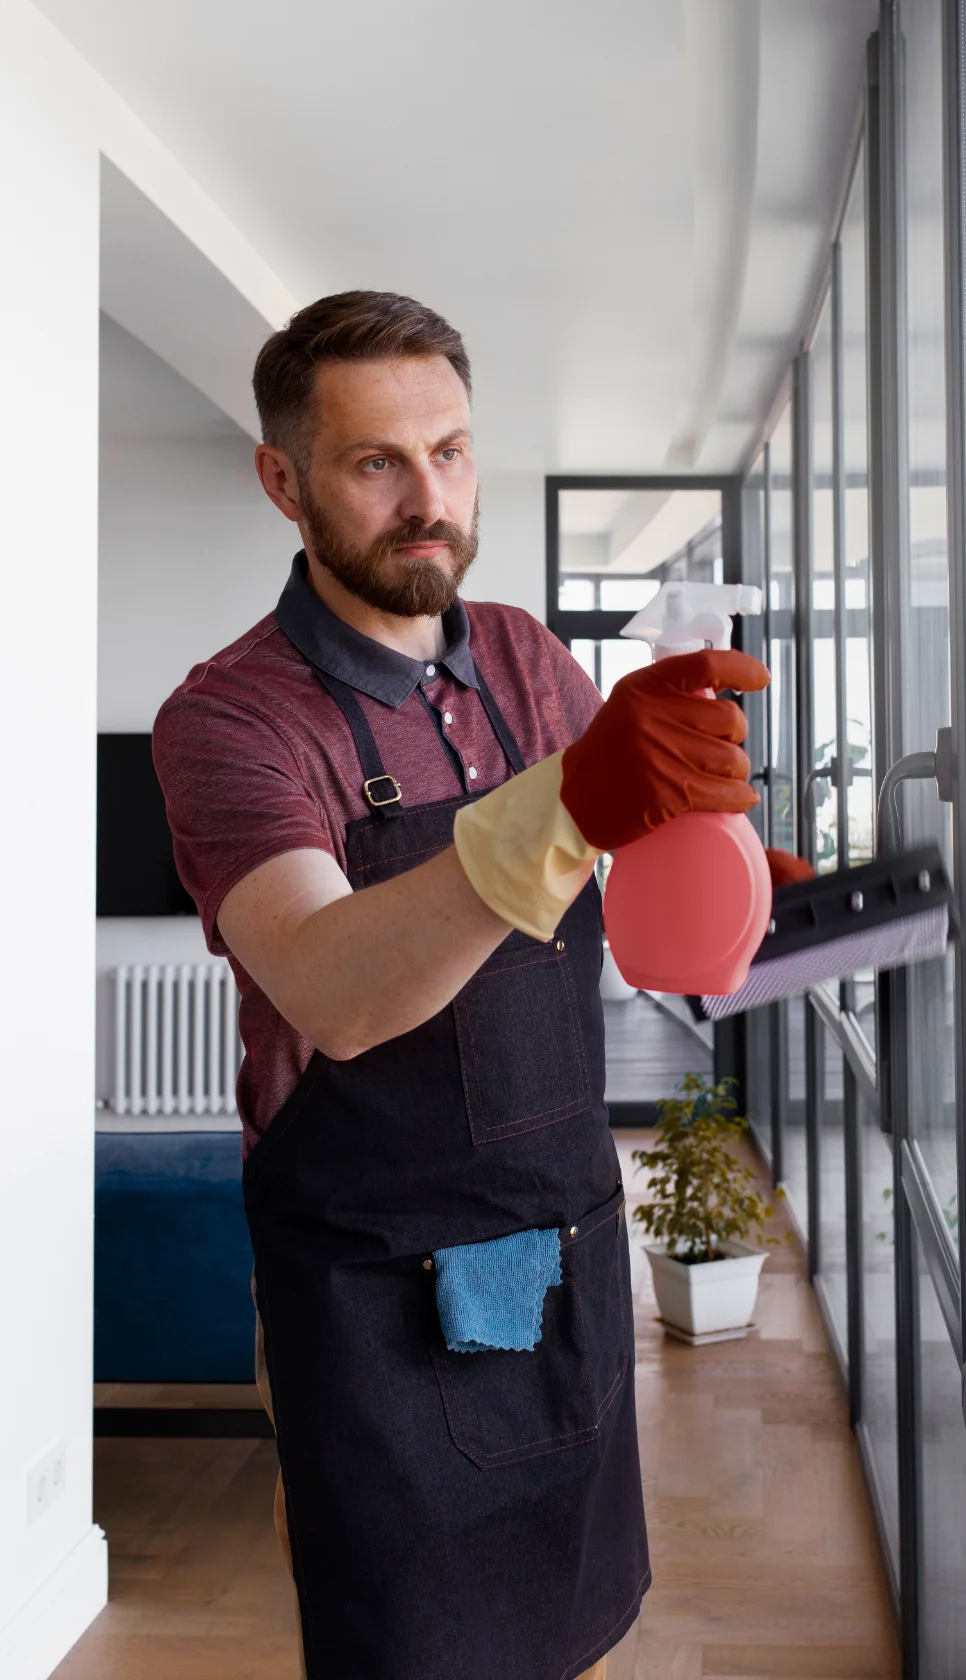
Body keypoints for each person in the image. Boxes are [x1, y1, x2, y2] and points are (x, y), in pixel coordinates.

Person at [153, 290, 784, 1680]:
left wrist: (725, 878)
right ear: (285, 481)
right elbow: (333, 986)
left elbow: (595, 918)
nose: (425, 497)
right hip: (375, 1300)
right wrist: (560, 807)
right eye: (377, 462)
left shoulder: (522, 656)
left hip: (557, 1251)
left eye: (450, 451)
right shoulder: (232, 719)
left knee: (577, 1629)